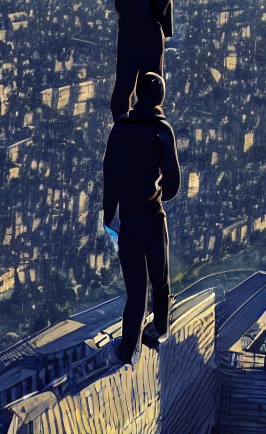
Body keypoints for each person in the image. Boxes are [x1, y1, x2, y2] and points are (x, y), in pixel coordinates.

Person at [103, 72, 181, 365]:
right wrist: (158, 191)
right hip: (153, 217)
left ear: (136, 94)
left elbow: (109, 177)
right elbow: (173, 184)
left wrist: (109, 215)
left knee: (135, 292)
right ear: (160, 98)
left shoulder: (120, 129)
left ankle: (128, 350)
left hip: (130, 222)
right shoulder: (162, 130)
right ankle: (159, 330)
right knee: (160, 281)